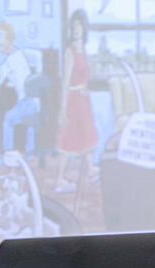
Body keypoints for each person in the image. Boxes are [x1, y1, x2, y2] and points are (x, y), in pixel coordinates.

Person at [55, 9, 99, 193]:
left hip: (83, 100)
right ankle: (59, 178)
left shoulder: (84, 50)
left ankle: (90, 168)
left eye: (79, 26)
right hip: (73, 101)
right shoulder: (69, 52)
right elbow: (65, 83)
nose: (76, 30)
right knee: (68, 137)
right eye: (74, 26)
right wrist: (63, 110)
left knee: (87, 132)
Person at [0, 21, 42, 153]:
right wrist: (38, 76)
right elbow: (38, 56)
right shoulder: (19, 53)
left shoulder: (11, 59)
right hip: (35, 101)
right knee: (29, 124)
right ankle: (30, 153)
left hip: (27, 102)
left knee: (8, 119)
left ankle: (9, 154)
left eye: (1, 37)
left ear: (9, 40)